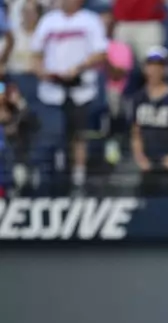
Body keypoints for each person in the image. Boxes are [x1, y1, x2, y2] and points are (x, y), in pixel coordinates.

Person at [31, 0, 107, 195]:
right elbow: (35, 54)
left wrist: (79, 67)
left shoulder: (90, 20)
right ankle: (53, 175)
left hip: (80, 88)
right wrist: (41, 71)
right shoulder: (48, 21)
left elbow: (100, 53)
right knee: (54, 133)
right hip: (52, 89)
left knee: (79, 134)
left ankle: (78, 178)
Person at [130, 46, 168, 198]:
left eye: (159, 66)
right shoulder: (139, 98)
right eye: (151, 66)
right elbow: (135, 133)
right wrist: (140, 158)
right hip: (148, 163)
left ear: (165, 69)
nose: (154, 70)